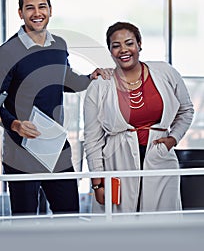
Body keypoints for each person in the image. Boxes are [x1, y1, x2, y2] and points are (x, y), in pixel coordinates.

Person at [0, 0, 110, 215]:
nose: (37, 13)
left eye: (42, 6)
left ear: (51, 10)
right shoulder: (7, 52)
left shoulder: (59, 45)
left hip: (55, 147)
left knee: (69, 214)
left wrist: (90, 77)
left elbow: (66, 80)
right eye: (29, 8)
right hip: (20, 151)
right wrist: (15, 124)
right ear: (20, 13)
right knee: (26, 223)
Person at [83, 21, 194, 213]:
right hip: (117, 162)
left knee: (161, 226)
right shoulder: (100, 85)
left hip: (160, 160)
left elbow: (186, 110)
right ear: (110, 51)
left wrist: (172, 139)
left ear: (139, 44)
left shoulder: (165, 72)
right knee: (120, 229)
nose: (123, 50)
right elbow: (93, 140)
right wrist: (97, 184)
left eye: (129, 43)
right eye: (116, 46)